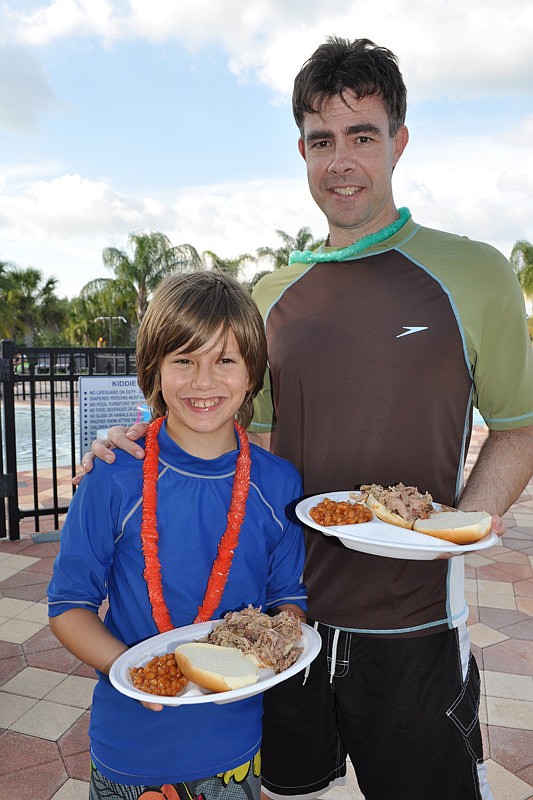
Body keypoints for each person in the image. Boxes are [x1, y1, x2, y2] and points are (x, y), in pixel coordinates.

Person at [79, 37, 533, 800]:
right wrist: (139, 439)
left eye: (362, 136)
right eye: (321, 141)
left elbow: (519, 427)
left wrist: (457, 529)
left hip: (413, 625)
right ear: (301, 151)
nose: (340, 161)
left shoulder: (474, 273)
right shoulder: (269, 294)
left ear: (399, 142)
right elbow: (235, 435)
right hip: (279, 619)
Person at [49, 272, 307, 800]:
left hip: (236, 740)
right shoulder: (113, 476)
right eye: (184, 360)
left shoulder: (279, 484)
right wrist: (135, 670)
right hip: (130, 743)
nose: (203, 381)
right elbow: (69, 606)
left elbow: (288, 599)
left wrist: (278, 642)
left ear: (252, 374)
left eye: (225, 360)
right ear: (155, 370)